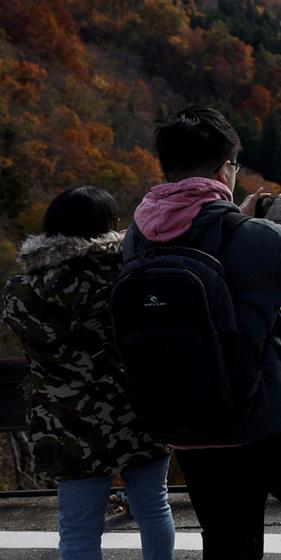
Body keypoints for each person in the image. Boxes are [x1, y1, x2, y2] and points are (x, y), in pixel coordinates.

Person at [124, 106, 281, 558]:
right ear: (224, 167)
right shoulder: (243, 235)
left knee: (228, 537)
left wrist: (233, 215)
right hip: (265, 413)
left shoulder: (138, 235)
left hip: (187, 421)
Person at [2, 186, 174, 559]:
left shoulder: (20, 291)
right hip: (137, 409)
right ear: (109, 225)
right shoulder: (128, 276)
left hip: (65, 421)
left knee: (78, 529)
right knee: (153, 508)